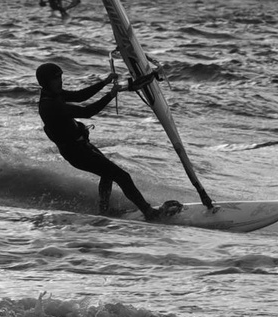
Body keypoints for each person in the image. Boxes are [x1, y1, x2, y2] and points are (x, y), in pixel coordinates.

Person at [34, 61, 175, 219]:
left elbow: (80, 96)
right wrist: (110, 95)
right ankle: (149, 212)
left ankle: (104, 210)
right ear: (46, 82)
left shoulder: (54, 94)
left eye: (60, 77)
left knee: (108, 174)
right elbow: (87, 111)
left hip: (81, 147)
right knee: (122, 176)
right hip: (75, 152)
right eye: (55, 79)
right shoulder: (50, 105)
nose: (60, 81)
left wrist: (104, 83)